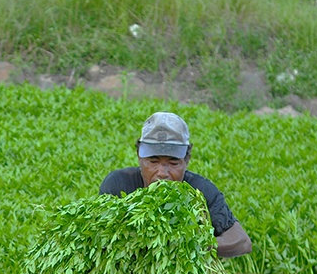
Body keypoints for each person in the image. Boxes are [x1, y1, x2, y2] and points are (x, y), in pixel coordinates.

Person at [99, 111, 251, 259]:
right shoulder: (118, 185)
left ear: (187, 160)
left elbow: (242, 242)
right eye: (153, 162)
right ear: (139, 157)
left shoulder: (200, 191)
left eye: (173, 163)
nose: (162, 173)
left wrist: (190, 244)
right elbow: (100, 235)